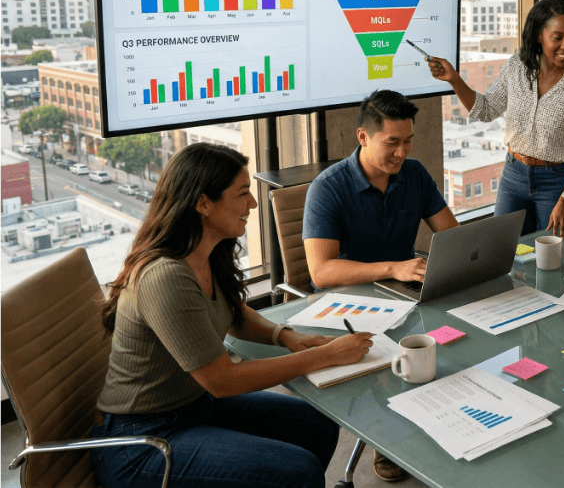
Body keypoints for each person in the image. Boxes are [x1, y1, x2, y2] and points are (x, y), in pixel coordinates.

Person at [91, 143, 373, 488]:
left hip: (195, 405)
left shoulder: (207, 252)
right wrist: (323, 356)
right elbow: (222, 381)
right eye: (242, 194)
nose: (253, 204)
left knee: (318, 424)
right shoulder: (165, 275)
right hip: (140, 443)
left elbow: (235, 314)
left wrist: (286, 337)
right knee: (296, 470)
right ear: (202, 203)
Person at [303, 89, 458, 481]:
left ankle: (444, 418)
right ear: (363, 137)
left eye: (408, 141)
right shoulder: (328, 187)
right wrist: (393, 267)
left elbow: (451, 234)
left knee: (460, 335)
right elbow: (322, 273)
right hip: (349, 305)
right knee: (401, 356)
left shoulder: (415, 174)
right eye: (392, 143)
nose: (402, 153)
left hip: (405, 293)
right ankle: (389, 437)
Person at [428, 0, 564, 238]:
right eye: (557, 38)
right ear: (539, 37)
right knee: (503, 251)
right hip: (514, 174)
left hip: (559, 183)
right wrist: (454, 79)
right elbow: (486, 109)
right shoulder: (517, 67)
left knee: (556, 261)